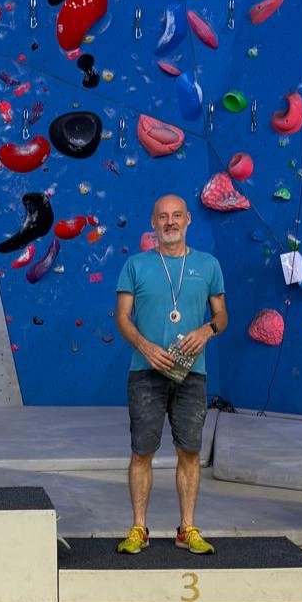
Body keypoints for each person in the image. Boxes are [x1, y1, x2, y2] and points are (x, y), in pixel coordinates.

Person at [114, 194, 227, 555]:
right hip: (145, 372)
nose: (170, 222)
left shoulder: (208, 265)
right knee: (141, 452)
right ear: (153, 222)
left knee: (189, 451)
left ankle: (187, 528)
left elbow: (222, 316)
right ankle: (138, 528)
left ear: (188, 220)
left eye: (177, 215)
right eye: (163, 216)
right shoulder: (135, 265)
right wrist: (145, 346)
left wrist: (207, 330)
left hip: (192, 374)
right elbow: (122, 318)